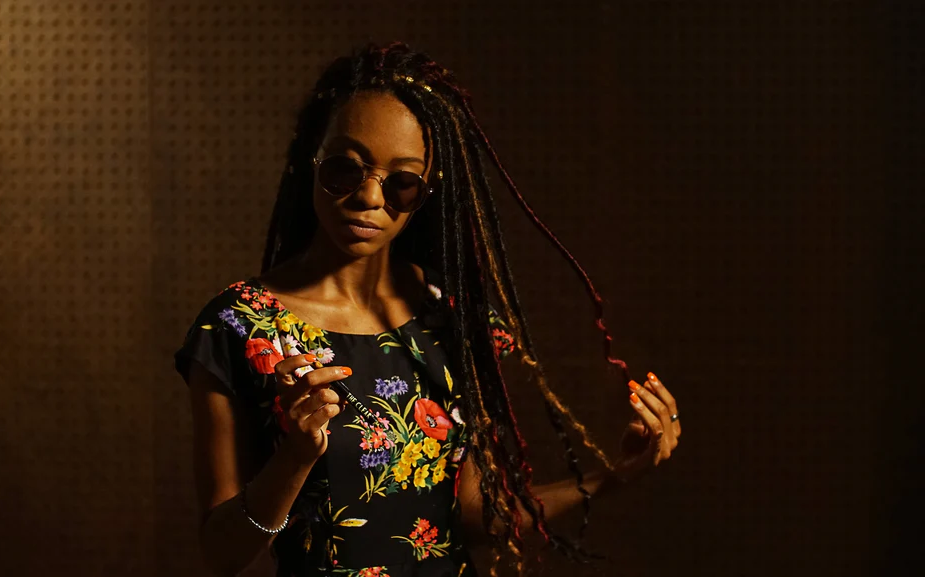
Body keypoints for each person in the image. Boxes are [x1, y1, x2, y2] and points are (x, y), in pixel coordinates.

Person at [174, 41, 682, 577]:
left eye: (401, 183)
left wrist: (616, 476)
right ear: (311, 162)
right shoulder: (238, 325)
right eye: (346, 169)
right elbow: (222, 553)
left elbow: (468, 515)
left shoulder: (452, 318)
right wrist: (294, 458)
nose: (370, 198)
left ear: (428, 191)